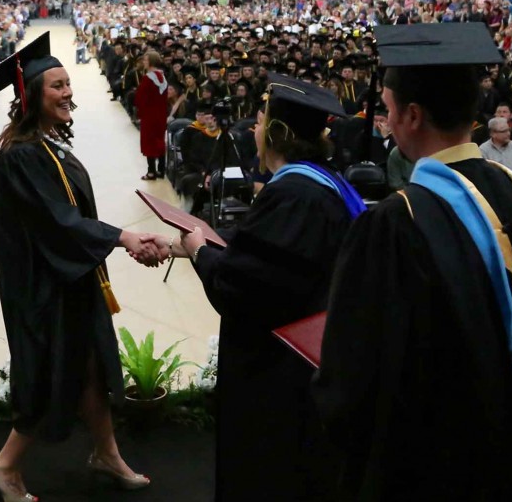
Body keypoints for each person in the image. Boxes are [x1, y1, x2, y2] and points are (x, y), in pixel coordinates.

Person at [313, 23, 512, 500]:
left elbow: (353, 376)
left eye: (390, 106)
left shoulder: (397, 223)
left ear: (413, 115)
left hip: (430, 465)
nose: (388, 117)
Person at [156, 74, 364, 500]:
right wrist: (194, 244)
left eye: (260, 121)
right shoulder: (324, 183)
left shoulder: (293, 194)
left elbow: (243, 287)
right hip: (317, 353)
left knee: (271, 471)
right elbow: (274, 256)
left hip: (280, 369)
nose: (254, 129)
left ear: (278, 133)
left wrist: (200, 251)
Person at [0, 33, 154, 502]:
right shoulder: (21, 157)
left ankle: (107, 454)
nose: (67, 92)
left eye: (68, 83)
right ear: (32, 96)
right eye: (56, 85)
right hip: (46, 286)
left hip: (70, 277)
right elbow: (59, 223)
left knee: (92, 365)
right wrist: (121, 236)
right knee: (54, 372)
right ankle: (5, 467)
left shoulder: (44, 145)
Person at [135, 50, 169, 180]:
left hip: (149, 115)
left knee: (149, 142)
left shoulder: (148, 79)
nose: (144, 62)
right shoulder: (163, 77)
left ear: (151, 62)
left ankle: (151, 172)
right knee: (160, 141)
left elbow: (140, 98)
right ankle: (161, 170)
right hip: (161, 115)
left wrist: (140, 113)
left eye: (145, 60)